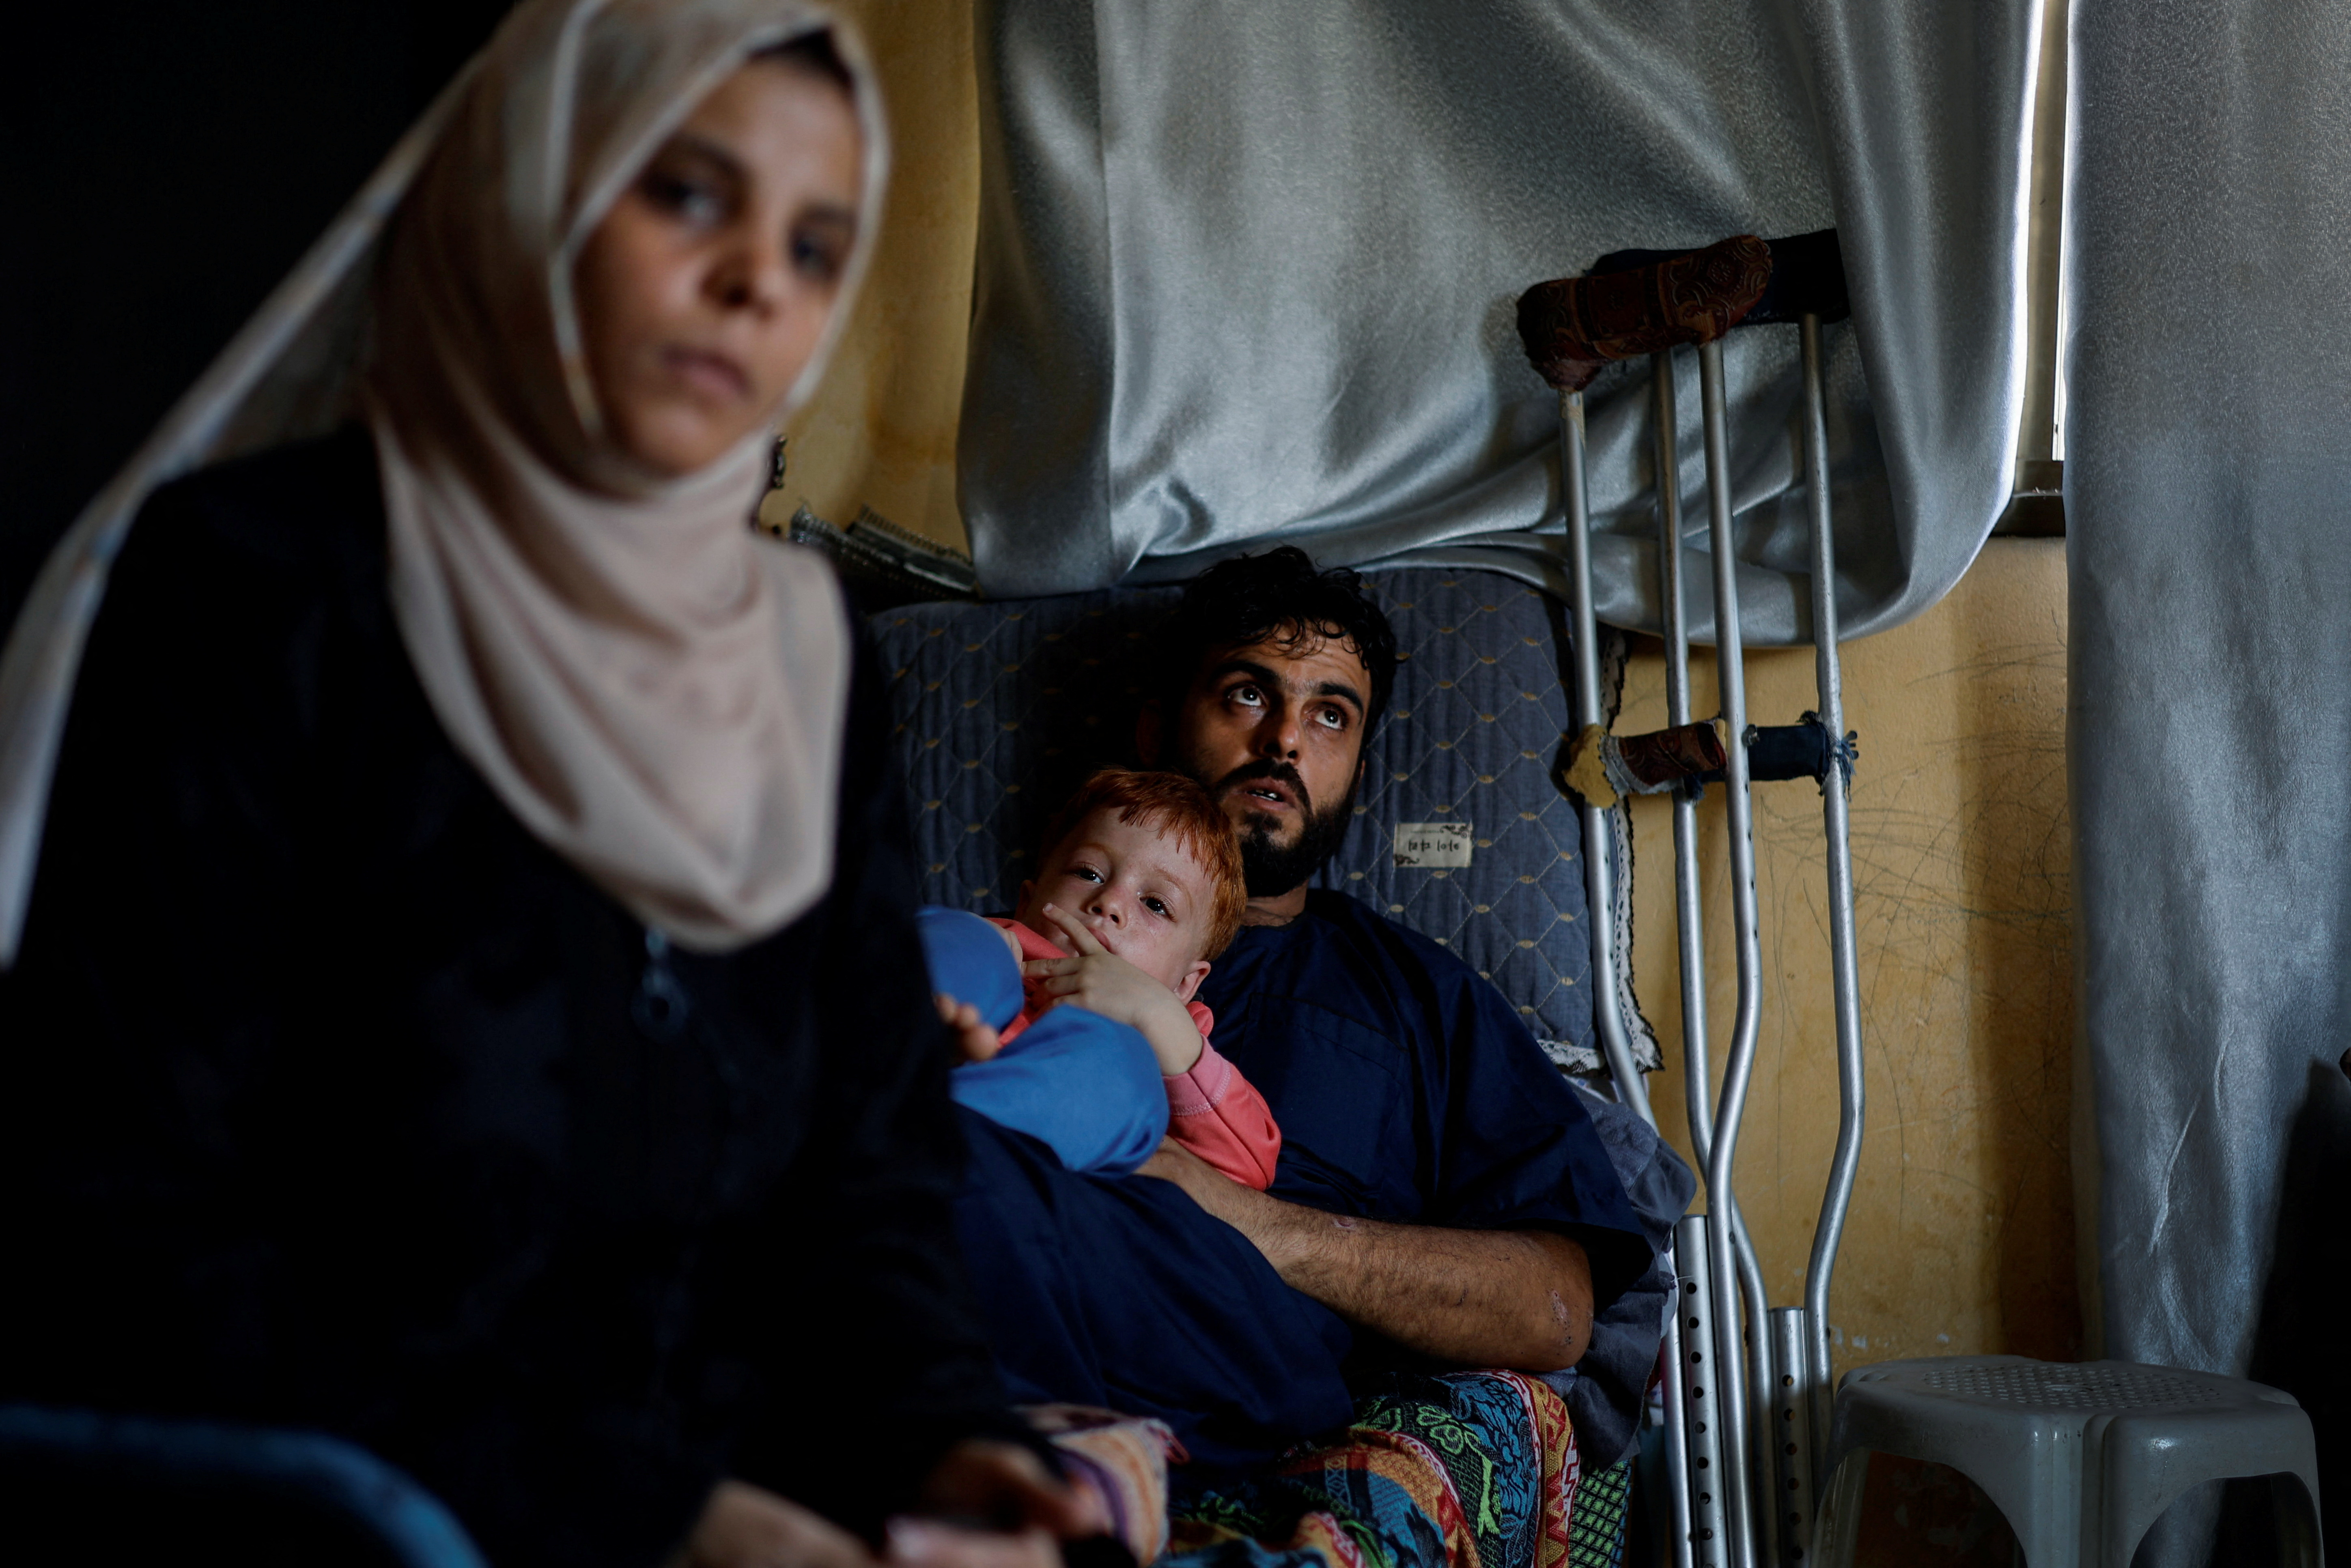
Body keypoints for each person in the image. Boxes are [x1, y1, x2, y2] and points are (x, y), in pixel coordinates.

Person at [0, 6, 1094, 1566]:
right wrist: (660, 1519)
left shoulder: (806, 657)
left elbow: (872, 1180)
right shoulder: (258, 588)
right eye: (689, 194)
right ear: (524, 191)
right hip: (355, 1509)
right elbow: (123, 1230)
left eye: (815, 247)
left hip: (746, 1489)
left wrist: (945, 1438)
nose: (755, 283)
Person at [1129, 546, 1669, 1397]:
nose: (1283, 739)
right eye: (1247, 694)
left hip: (1261, 1394)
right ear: (1154, 729)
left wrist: (1240, 1221)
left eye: (1329, 716)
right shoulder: (1037, 941)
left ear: (1355, 772)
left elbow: (1553, 1309)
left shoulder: (1419, 1000)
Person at [920, 767, 1282, 1188]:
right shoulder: (999, 946)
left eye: (1156, 904)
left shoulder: (1167, 1040)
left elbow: (1251, 1164)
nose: (1109, 902)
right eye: (1088, 873)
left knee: (1122, 1064)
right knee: (965, 938)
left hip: (999, 1152)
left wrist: (1159, 1018)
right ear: (1028, 903)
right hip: (941, 1022)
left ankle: (960, 1118)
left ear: (1185, 985)